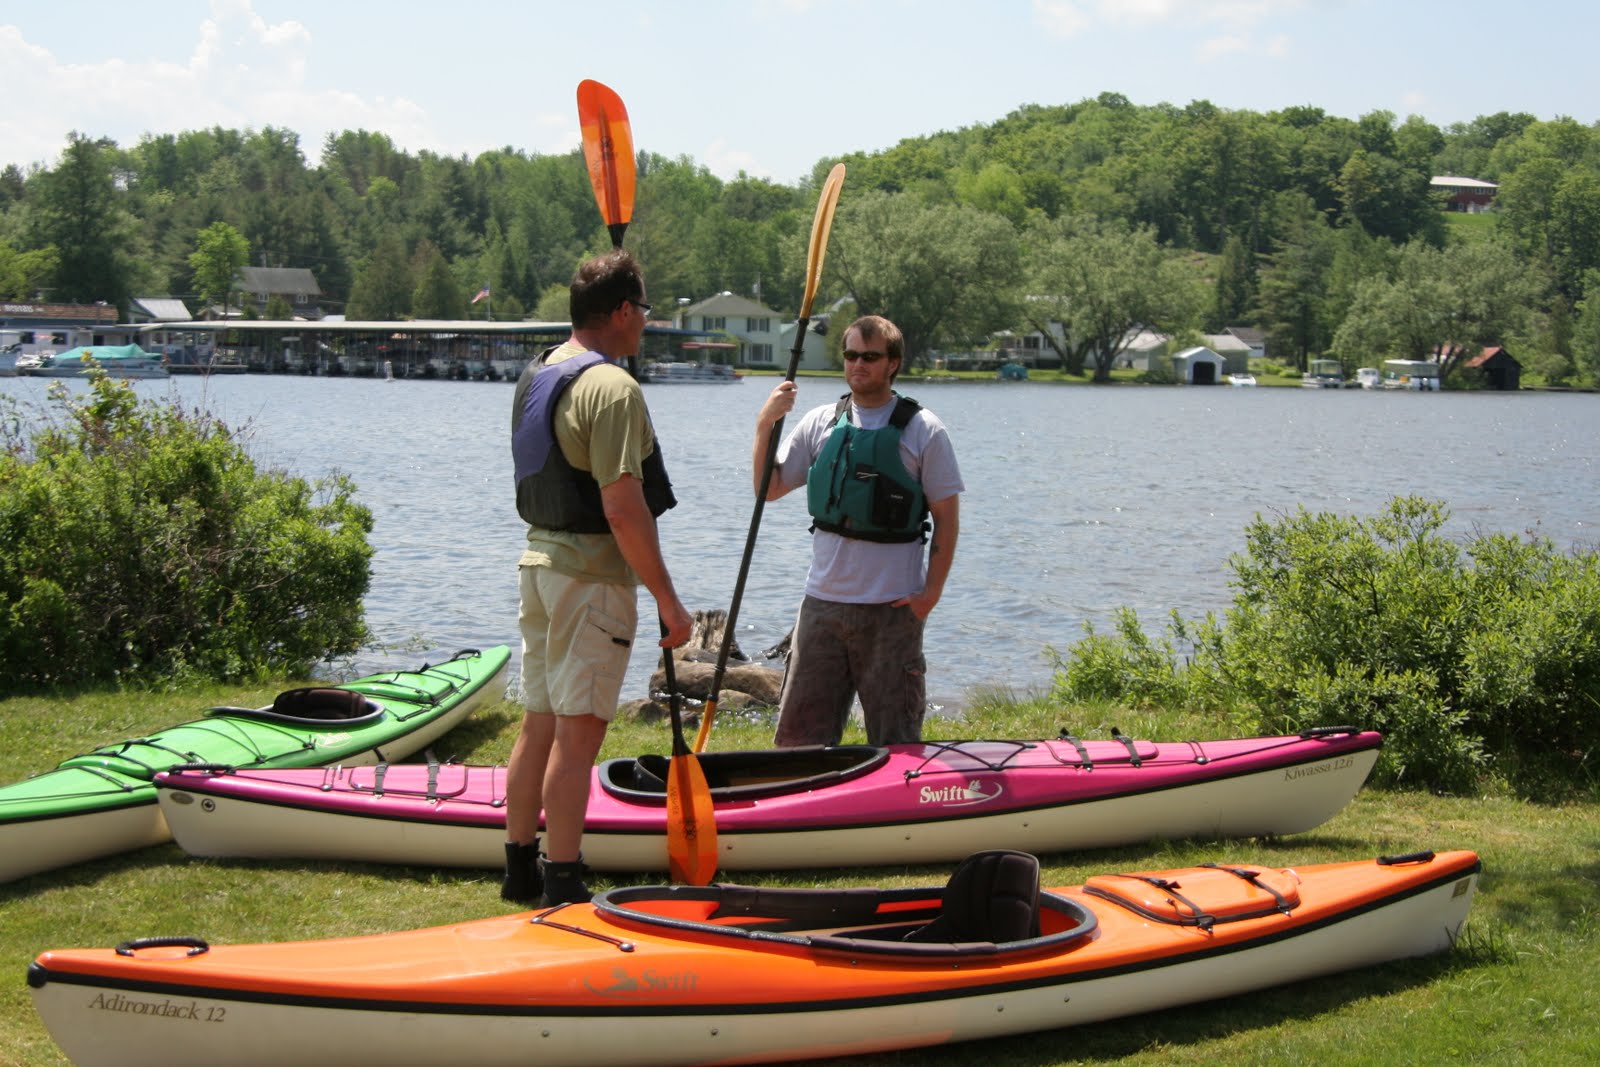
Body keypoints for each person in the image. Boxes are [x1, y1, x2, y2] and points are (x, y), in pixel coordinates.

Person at [504, 249, 692, 905]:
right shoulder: (611, 387)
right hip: (590, 580)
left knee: (539, 725)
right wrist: (669, 600)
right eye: (642, 309)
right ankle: (562, 881)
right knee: (578, 737)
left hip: (539, 567)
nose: (647, 321)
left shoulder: (538, 374)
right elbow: (621, 505)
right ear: (618, 311)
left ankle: (520, 865)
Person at [752, 314, 963, 747]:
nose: (857, 365)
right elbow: (768, 489)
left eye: (870, 356)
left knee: (895, 738)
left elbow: (947, 517)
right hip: (822, 606)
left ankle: (895, 810)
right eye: (850, 355)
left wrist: (930, 595)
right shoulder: (820, 422)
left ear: (893, 364)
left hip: (891, 608)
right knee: (799, 741)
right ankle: (805, 807)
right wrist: (764, 425)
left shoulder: (924, 430)